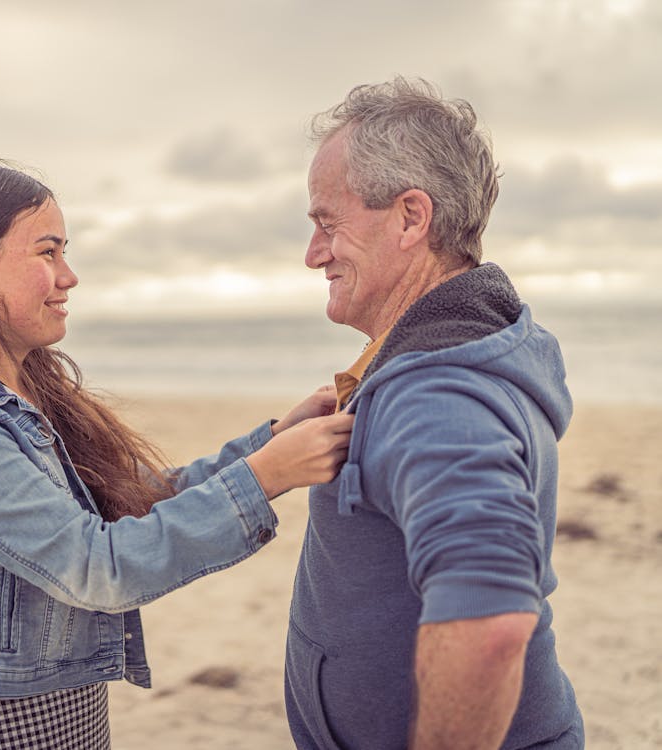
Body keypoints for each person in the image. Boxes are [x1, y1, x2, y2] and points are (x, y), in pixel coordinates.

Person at [0, 161, 354, 749]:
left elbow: (137, 501)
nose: (68, 276)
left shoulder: (26, 397)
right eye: (46, 253)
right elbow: (97, 568)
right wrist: (266, 477)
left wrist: (268, 443)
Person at [284, 77, 584, 749]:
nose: (313, 254)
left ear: (410, 218)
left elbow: (490, 621)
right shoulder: (428, 361)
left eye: (326, 224)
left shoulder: (435, 394)